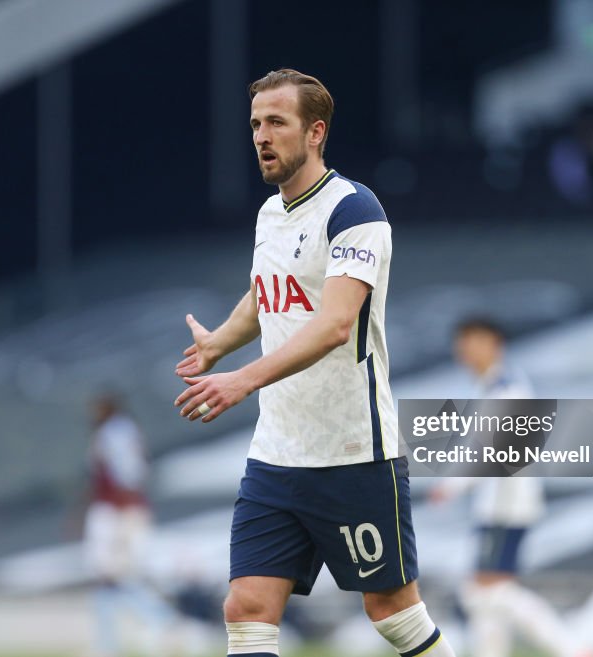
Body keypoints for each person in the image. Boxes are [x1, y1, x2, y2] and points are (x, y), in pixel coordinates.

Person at [174, 69, 456, 657]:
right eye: (255, 124)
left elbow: (334, 324)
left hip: (354, 453)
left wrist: (241, 379)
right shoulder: (270, 214)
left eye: (276, 122)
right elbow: (267, 290)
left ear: (315, 132)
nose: (261, 136)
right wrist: (221, 341)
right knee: (246, 608)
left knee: (393, 614)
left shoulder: (355, 211)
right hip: (277, 453)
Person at [432, 318, 590, 657]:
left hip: (506, 504)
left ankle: (574, 648)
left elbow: (499, 451)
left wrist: (453, 486)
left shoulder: (508, 389)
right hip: (500, 503)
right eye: (462, 341)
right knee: (485, 593)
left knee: (487, 591)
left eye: (473, 340)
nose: (465, 349)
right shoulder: (494, 387)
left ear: (494, 342)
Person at [83, 394, 170, 656]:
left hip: (117, 511)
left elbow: (127, 473)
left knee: (116, 577)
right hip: (118, 509)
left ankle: (161, 621)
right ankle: (110, 642)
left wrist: (121, 514)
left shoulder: (116, 431)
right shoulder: (120, 431)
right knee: (110, 579)